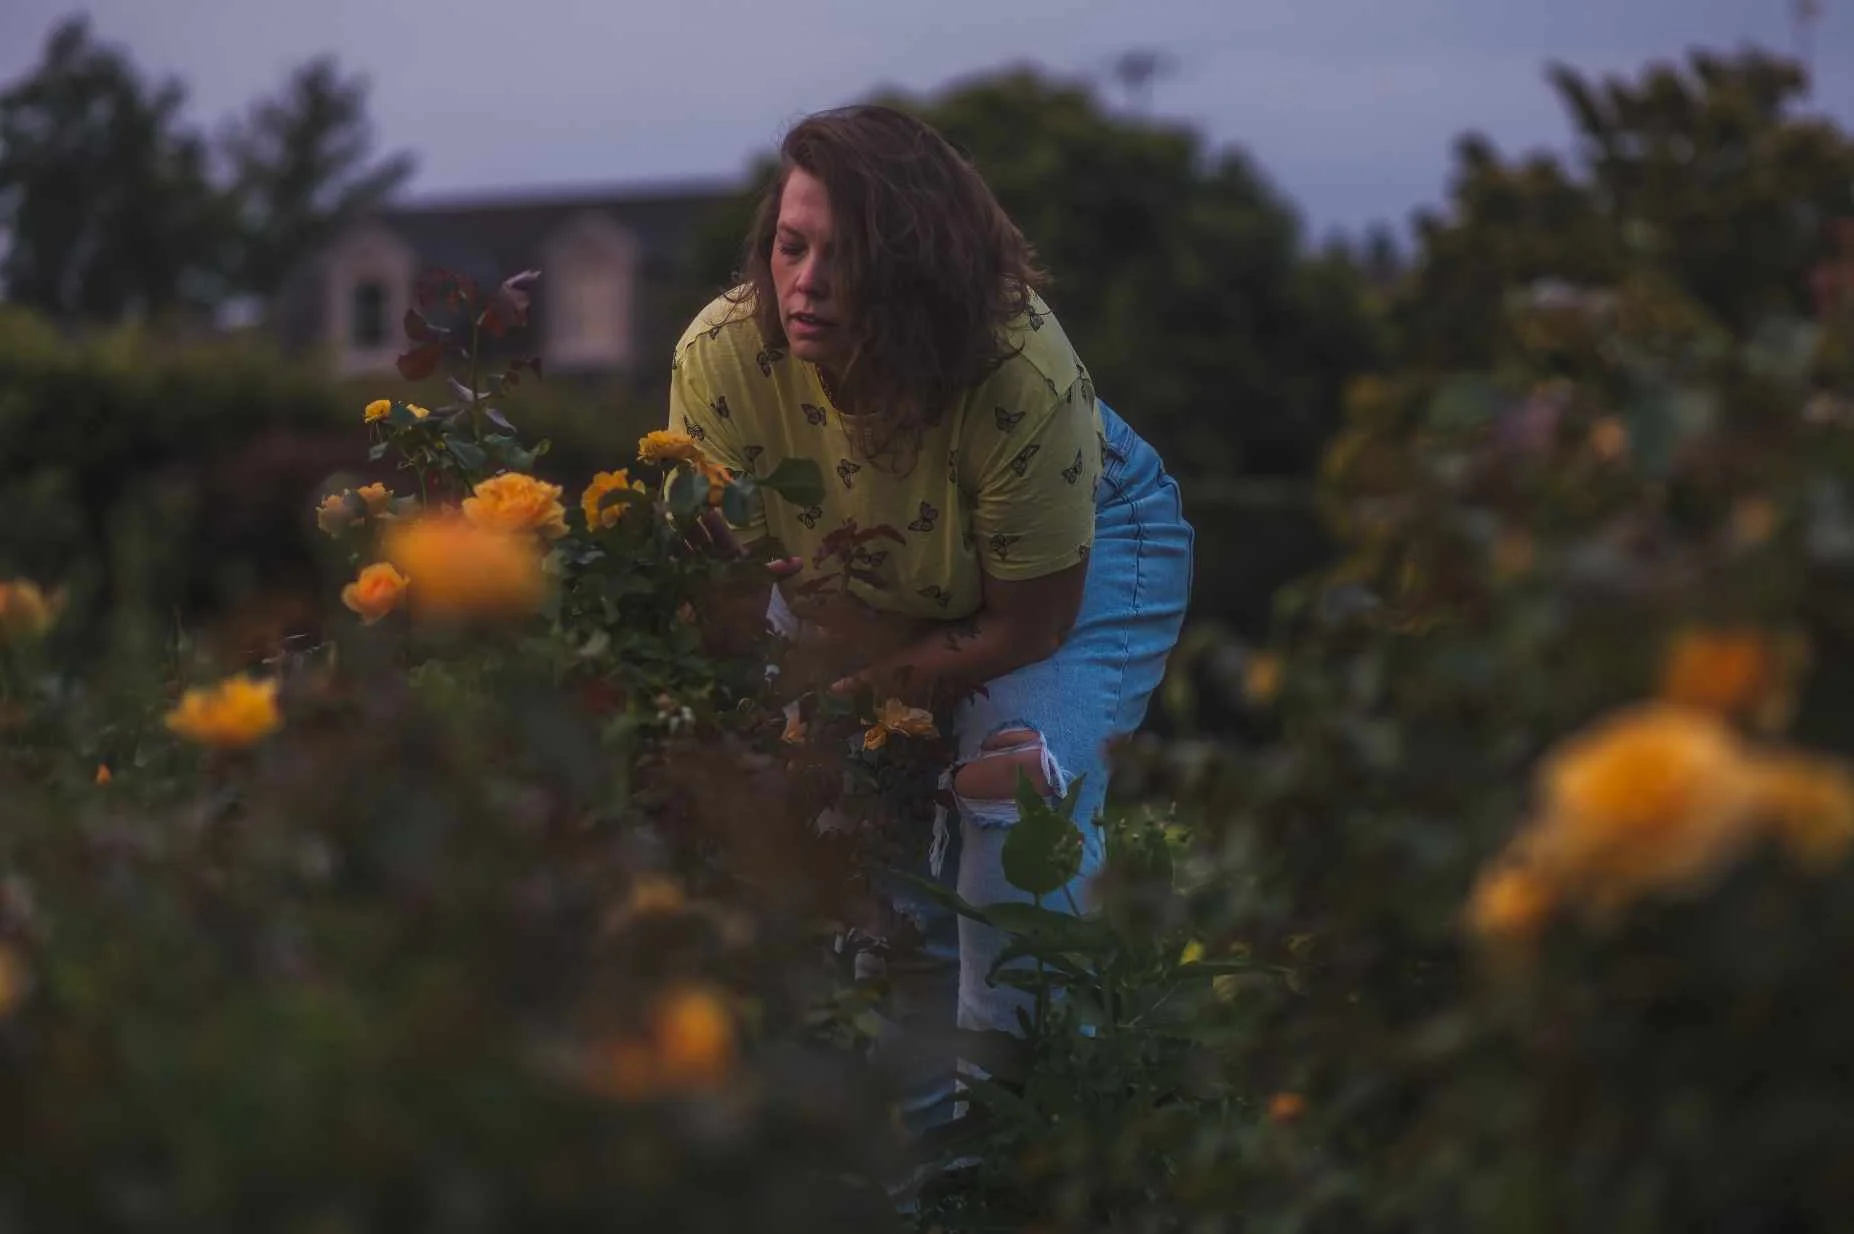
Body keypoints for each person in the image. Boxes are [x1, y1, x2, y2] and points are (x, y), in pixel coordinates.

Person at [664, 103, 1193, 1154]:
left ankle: (1026, 1153)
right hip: (868, 570)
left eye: (843, 256)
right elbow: (723, 596)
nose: (805, 284)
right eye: (789, 245)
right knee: (868, 844)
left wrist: (862, 696)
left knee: (1005, 800)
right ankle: (908, 1182)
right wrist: (789, 732)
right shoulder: (722, 360)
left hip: (1069, 576)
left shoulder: (1016, 371)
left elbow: (1026, 620)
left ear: (914, 267)